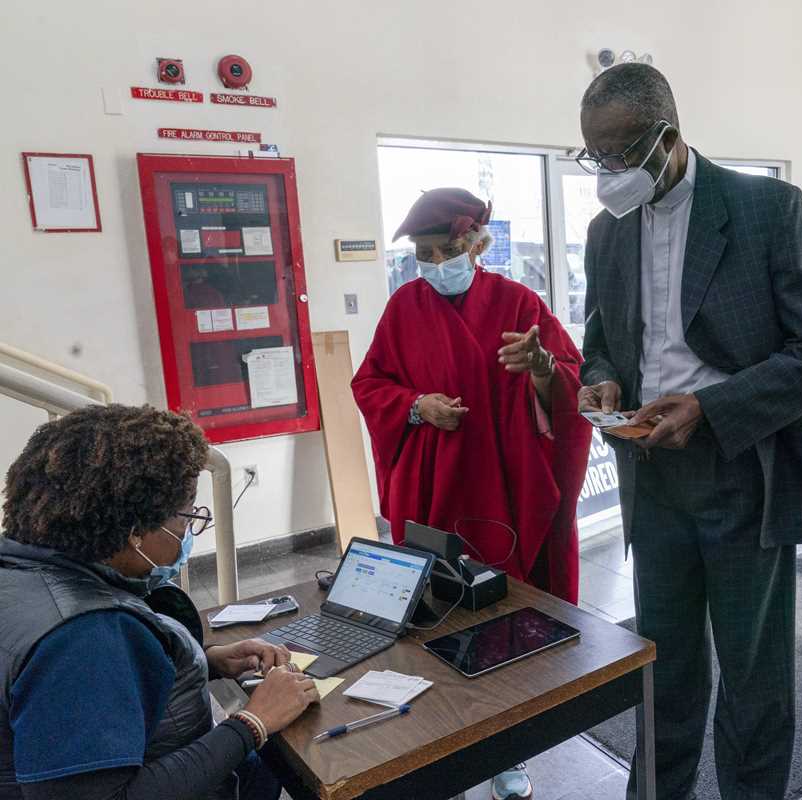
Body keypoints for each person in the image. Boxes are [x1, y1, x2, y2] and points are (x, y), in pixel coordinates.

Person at [576, 63, 802, 800]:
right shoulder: (607, 232)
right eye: (593, 157)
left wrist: (712, 407)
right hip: (652, 477)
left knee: (752, 676)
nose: (607, 171)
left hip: (743, 471)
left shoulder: (766, 209)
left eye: (618, 155)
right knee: (662, 667)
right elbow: (602, 337)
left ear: (667, 138)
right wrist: (600, 378)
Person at [351, 188, 591, 800]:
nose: (434, 264)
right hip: (435, 487)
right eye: (423, 254)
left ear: (475, 245)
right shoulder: (405, 307)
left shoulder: (517, 300)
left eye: (445, 250)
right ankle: (447, 735)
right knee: (438, 615)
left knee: (510, 622)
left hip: (506, 484)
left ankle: (509, 750)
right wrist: (415, 405)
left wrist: (539, 367)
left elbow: (572, 382)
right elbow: (372, 381)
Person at [0, 404, 318, 800]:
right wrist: (253, 722)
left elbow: (98, 697)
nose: (189, 531)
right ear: (135, 532)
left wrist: (207, 661)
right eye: (186, 518)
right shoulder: (83, 639)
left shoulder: (21, 571)